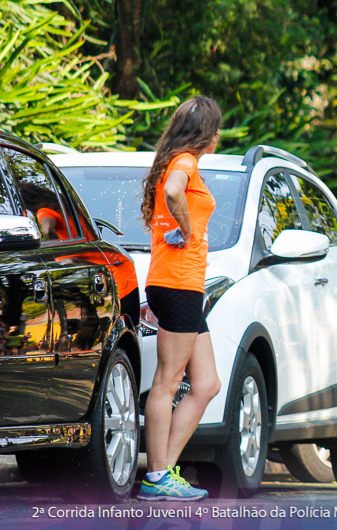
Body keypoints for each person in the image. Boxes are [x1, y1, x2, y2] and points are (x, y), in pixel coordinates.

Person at [138, 96, 223, 501]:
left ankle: (163, 471)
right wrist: (187, 229)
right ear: (205, 133)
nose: (219, 135)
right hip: (176, 282)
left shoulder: (176, 160)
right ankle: (156, 476)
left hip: (184, 285)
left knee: (206, 383)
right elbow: (174, 193)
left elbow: (172, 193)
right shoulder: (185, 163)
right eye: (216, 128)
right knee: (168, 381)